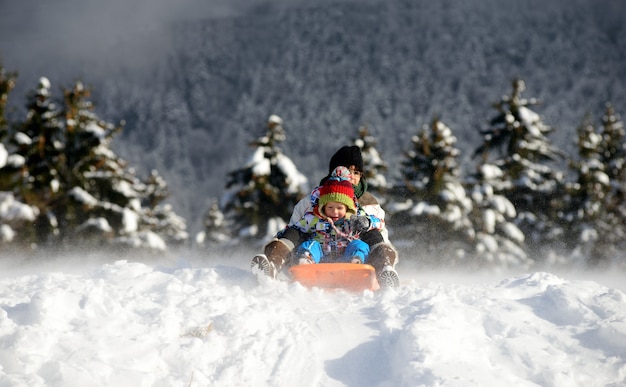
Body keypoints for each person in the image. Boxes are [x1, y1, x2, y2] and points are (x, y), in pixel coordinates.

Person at [251, 145, 400, 287]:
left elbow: (381, 236)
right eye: (346, 170)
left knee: (371, 234)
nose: (351, 176)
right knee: (296, 233)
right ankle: (272, 265)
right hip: (317, 253)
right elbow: (295, 230)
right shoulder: (311, 202)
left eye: (356, 172)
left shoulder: (369, 204)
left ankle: (384, 271)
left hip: (358, 258)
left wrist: (367, 224)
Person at [291, 166, 380, 265]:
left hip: (346, 258)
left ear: (347, 208)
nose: (335, 212)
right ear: (323, 207)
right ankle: (306, 259)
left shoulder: (354, 218)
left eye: (340, 208)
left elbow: (378, 223)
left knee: (359, 245)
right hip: (321, 259)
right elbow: (295, 228)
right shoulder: (314, 218)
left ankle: (356, 260)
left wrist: (368, 222)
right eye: (330, 207)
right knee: (310, 244)